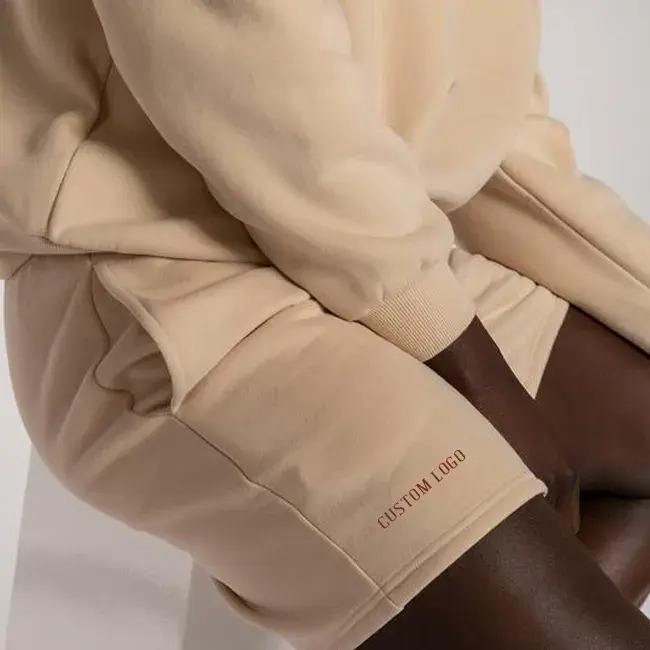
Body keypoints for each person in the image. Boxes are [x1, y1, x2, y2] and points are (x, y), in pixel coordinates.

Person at [1, 2, 649, 648]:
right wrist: (485, 387)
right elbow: (270, 112)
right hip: (170, 280)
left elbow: (498, 134)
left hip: (375, 256)